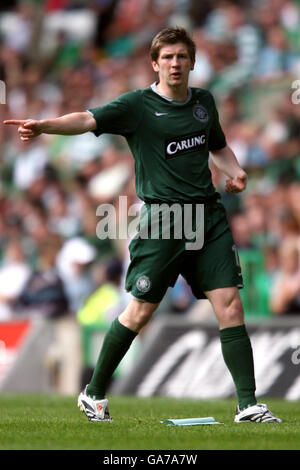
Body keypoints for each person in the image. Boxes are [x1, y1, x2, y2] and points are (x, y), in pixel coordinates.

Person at [4, 27, 281, 423]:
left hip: (209, 218)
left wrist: (234, 172)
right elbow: (86, 118)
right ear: (155, 64)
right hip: (165, 222)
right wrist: (45, 125)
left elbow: (217, 146)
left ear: (192, 62)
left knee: (231, 305)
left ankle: (247, 404)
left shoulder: (204, 103)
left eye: (181, 57)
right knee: (138, 313)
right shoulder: (137, 105)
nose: (174, 63)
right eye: (167, 57)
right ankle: (94, 393)